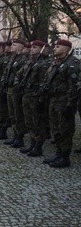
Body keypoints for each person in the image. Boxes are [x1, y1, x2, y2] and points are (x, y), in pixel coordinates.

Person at [42, 39, 80, 168]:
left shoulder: (72, 64)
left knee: (65, 130)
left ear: (65, 49)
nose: (54, 48)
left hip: (64, 103)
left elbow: (73, 87)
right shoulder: (56, 63)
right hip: (54, 100)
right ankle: (58, 153)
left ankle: (65, 157)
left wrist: (70, 105)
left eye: (57, 47)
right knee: (55, 129)